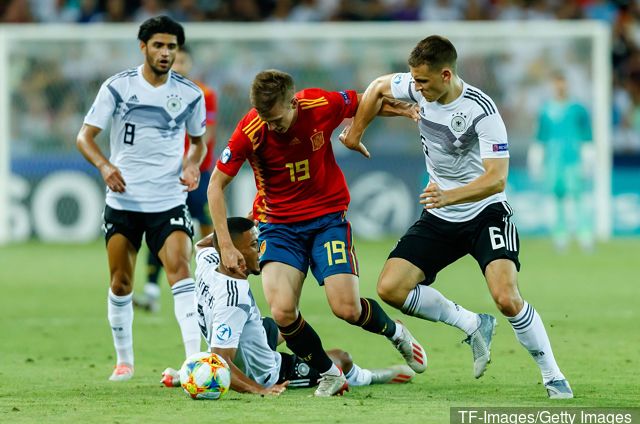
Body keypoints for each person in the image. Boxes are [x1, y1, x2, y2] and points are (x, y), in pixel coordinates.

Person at [342, 35, 573, 399]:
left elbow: (496, 179)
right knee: (391, 288)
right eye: (414, 80)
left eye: (423, 81)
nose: (416, 89)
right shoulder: (417, 87)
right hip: (441, 214)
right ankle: (472, 323)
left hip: (485, 212)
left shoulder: (482, 110)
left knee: (506, 298)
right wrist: (356, 133)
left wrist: (448, 195)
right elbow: (376, 88)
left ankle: (553, 375)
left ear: (446, 74)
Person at [207, 69, 427, 397]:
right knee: (282, 312)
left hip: (326, 220)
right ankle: (330, 374)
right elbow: (215, 185)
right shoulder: (251, 130)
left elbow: (366, 100)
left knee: (347, 308)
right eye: (265, 119)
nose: (272, 126)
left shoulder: (318, 104)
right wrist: (226, 245)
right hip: (278, 227)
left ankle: (396, 332)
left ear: (293, 103)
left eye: (277, 119)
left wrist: (403, 109)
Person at [76, 15, 205, 381]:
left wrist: (192, 165)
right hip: (124, 201)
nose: (165, 53)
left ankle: (194, 361)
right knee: (121, 282)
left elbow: (198, 143)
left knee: (180, 270)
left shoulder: (190, 94)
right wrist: (105, 166)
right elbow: (85, 137)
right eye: (158, 45)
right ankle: (124, 361)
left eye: (171, 47)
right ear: (143, 47)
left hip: (168, 199)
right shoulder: (118, 87)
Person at [160, 217, 416, 395]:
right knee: (341, 358)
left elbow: (203, 244)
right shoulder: (233, 300)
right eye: (253, 245)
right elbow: (220, 360)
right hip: (266, 371)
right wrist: (259, 390)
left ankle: (190, 372)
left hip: (250, 332)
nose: (261, 250)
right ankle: (370, 376)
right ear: (233, 252)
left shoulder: (208, 260)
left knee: (290, 324)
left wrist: (228, 238)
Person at [135, 44, 219, 313]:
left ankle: (214, 287)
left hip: (198, 173)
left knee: (208, 230)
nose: (179, 66)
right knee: (158, 227)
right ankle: (151, 292)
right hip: (166, 175)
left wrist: (188, 161)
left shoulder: (204, 94)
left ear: (190, 64)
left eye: (183, 61)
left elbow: (207, 133)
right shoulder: (156, 94)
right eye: (175, 61)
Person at [529, 71, 594, 252]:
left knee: (578, 197)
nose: (560, 86)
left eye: (563, 82)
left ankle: (585, 235)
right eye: (557, 83)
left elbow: (587, 136)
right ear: (552, 85)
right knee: (557, 198)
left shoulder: (578, 109)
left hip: (573, 160)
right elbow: (540, 137)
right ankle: (560, 236)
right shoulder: (545, 110)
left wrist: (588, 158)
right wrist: (536, 159)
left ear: (567, 84)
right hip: (553, 161)